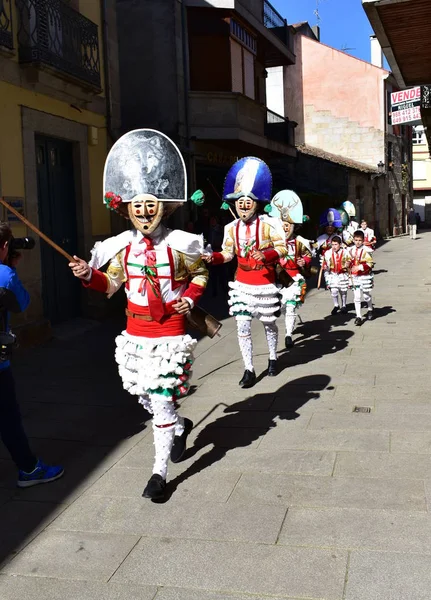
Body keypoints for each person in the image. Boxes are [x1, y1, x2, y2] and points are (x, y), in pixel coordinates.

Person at [69, 129, 209, 501]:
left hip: (170, 333)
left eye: (151, 206)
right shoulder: (119, 249)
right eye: (138, 207)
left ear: (162, 207)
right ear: (127, 209)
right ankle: (180, 426)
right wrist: (90, 276)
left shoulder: (181, 244)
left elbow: (200, 273)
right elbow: (111, 284)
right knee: (146, 397)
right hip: (135, 335)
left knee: (161, 401)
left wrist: (190, 299)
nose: (145, 213)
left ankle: (159, 473)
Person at [203, 157, 287, 388]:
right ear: (235, 204)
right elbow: (228, 253)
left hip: (264, 282)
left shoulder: (270, 225)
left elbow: (282, 248)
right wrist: (215, 258)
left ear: (257, 204)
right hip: (241, 283)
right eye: (240, 201)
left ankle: (272, 357)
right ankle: (248, 369)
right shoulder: (230, 228)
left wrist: (267, 254)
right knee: (242, 325)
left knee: (269, 323)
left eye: (248, 201)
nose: (243, 205)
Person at [0, 223, 64, 487]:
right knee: (8, 417)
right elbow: (22, 304)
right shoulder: (4, 275)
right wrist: (11, 267)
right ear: (5, 246)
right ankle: (29, 469)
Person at [267, 190, 312, 349]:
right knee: (282, 306)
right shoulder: (272, 243)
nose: (285, 228)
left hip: (293, 280)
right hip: (277, 281)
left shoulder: (300, 242)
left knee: (291, 307)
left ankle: (288, 335)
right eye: (282, 225)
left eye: (288, 225)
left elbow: (308, 256)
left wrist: (303, 261)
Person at [348, 230, 374, 325]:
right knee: (357, 297)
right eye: (356, 240)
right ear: (353, 240)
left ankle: (370, 308)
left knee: (366, 296)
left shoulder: (367, 250)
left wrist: (359, 267)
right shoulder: (350, 250)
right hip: (355, 277)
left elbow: (370, 264)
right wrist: (347, 264)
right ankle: (358, 316)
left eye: (360, 240)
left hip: (364, 276)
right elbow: (348, 261)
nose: (357, 242)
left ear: (363, 240)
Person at [322, 235, 351, 316]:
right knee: (334, 291)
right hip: (333, 274)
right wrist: (325, 267)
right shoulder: (328, 253)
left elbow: (350, 261)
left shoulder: (345, 252)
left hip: (342, 274)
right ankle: (336, 305)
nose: (334, 246)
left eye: (336, 244)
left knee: (343, 290)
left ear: (340, 244)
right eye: (333, 244)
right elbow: (325, 263)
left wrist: (348, 264)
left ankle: (344, 305)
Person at [316, 208, 343, 288]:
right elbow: (314, 247)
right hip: (325, 259)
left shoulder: (338, 237)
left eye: (331, 227)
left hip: (336, 259)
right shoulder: (321, 237)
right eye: (328, 227)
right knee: (327, 273)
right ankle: (329, 283)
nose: (330, 228)